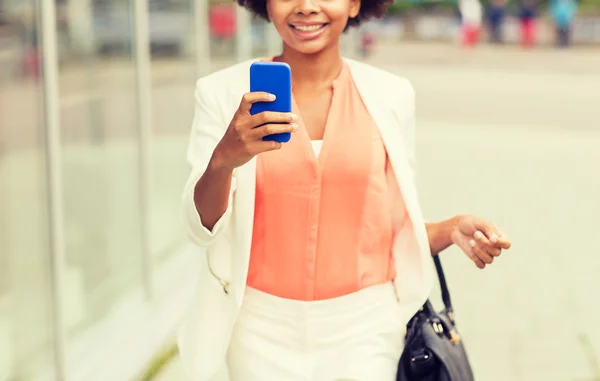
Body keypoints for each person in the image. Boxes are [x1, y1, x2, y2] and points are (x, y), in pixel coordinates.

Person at [178, 0, 512, 379]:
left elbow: (393, 229)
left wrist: (450, 228)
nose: (306, 7)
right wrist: (224, 158)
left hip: (365, 329)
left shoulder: (390, 95)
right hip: (258, 332)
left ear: (355, 3)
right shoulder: (221, 94)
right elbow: (199, 228)